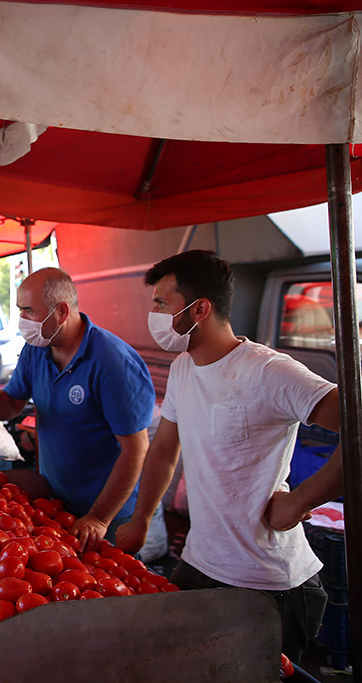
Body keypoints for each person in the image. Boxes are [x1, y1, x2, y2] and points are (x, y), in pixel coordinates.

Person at [115, 250, 340, 662]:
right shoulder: (184, 368)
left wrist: (300, 501)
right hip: (200, 563)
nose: (155, 314)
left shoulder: (268, 371)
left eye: (162, 304)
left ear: (199, 308)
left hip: (267, 583)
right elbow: (164, 450)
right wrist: (143, 517)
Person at [0, 268, 161, 555]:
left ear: (61, 311)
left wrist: (99, 517)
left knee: (105, 587)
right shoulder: (36, 350)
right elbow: (11, 404)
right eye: (19, 311)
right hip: (56, 498)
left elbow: (136, 449)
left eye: (28, 311)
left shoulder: (112, 363)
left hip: (108, 509)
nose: (22, 320)